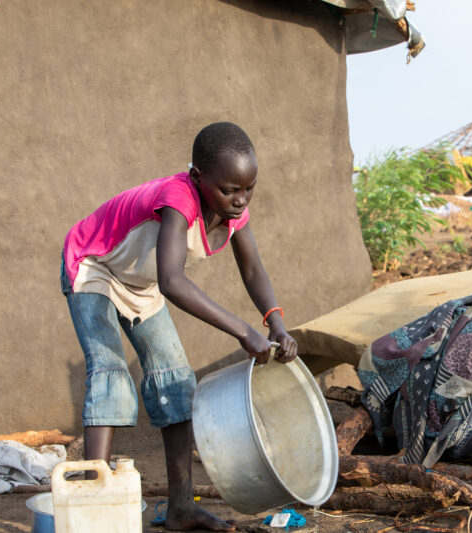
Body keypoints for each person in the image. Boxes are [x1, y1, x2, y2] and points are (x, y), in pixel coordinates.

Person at [61, 122, 297, 531]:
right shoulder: (177, 197)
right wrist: (244, 331)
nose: (240, 200)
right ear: (198, 178)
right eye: (229, 190)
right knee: (111, 373)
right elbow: (172, 281)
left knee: (175, 381)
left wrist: (275, 324)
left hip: (140, 281)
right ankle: (90, 510)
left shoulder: (231, 211)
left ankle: (181, 507)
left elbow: (253, 267)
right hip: (94, 266)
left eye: (249, 188)